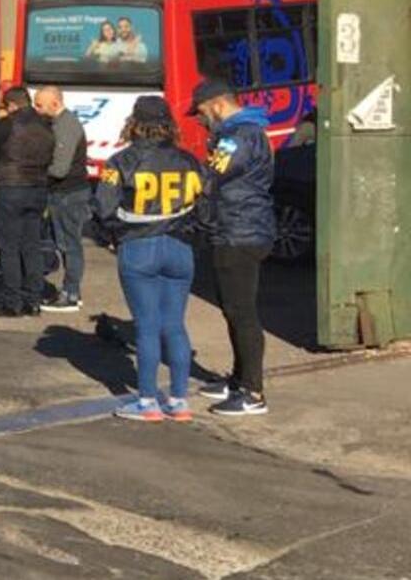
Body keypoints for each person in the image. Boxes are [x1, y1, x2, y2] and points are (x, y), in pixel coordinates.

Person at [94, 95, 204, 422]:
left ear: (134, 123)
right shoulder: (189, 160)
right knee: (175, 324)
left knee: (147, 325)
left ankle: (147, 402)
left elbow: (103, 208)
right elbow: (207, 204)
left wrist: (114, 236)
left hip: (138, 247)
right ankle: (180, 401)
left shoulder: (119, 162)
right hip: (180, 246)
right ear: (169, 124)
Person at [192, 78, 276, 417]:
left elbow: (211, 179)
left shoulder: (238, 136)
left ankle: (253, 392)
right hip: (241, 229)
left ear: (217, 105)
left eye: (200, 113)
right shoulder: (251, 132)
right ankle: (239, 379)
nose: (200, 120)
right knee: (232, 309)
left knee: (241, 312)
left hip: (238, 233)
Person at [0, 85, 54, 316]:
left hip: (9, 189)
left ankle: (12, 301)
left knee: (8, 246)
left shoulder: (7, 124)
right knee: (31, 245)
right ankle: (33, 299)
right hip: (38, 188)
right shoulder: (46, 125)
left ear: (11, 105)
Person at [36, 85, 91, 312]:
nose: (36, 109)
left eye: (40, 105)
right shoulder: (57, 124)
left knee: (69, 244)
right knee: (63, 242)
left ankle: (70, 294)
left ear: (55, 104)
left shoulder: (66, 126)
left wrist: (34, 169)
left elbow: (59, 169)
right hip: (63, 193)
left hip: (69, 194)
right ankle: (68, 290)